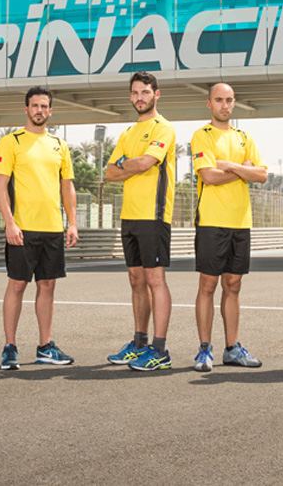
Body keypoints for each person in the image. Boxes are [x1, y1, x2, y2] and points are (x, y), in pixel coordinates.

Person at [0, 86, 79, 371]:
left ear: (50, 111)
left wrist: (72, 223)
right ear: (26, 109)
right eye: (34, 106)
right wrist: (10, 222)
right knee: (17, 284)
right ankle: (10, 348)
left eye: (44, 106)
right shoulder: (10, 142)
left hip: (52, 228)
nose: (39, 110)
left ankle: (45, 347)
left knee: (47, 285)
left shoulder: (59, 145)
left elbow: (67, 186)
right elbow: (1, 185)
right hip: (22, 228)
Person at [190, 83, 268, 372]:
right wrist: (243, 169)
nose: (225, 105)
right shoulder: (202, 135)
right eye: (219, 100)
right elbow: (209, 176)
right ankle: (204, 350)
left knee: (233, 285)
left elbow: (262, 175)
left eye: (229, 100)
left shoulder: (245, 137)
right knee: (208, 285)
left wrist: (230, 166)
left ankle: (232, 348)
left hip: (240, 222)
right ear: (209, 103)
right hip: (211, 222)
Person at [105, 71, 176, 371]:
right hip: (129, 216)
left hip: (153, 215)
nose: (139, 98)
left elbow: (148, 162)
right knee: (136, 280)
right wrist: (127, 165)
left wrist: (125, 163)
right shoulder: (127, 133)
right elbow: (110, 172)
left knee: (155, 280)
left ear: (156, 94)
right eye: (135, 93)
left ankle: (159, 350)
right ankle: (139, 344)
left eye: (145, 92)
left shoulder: (164, 128)